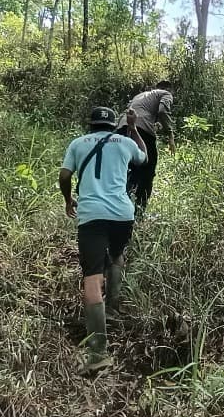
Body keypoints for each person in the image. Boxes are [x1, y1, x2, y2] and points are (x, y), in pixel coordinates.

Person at [59, 106, 148, 373]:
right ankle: (113, 309)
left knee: (92, 279)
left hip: (92, 216)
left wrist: (67, 199)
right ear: (112, 126)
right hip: (122, 214)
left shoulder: (78, 143)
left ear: (91, 124)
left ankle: (98, 353)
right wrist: (132, 128)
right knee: (117, 254)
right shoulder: (125, 142)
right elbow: (143, 158)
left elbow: (64, 175)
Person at [123, 81, 174, 213]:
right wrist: (170, 134)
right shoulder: (166, 93)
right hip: (140, 129)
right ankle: (139, 212)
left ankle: (121, 206)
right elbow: (162, 111)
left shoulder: (140, 96)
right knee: (147, 170)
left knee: (125, 169)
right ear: (168, 89)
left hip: (122, 128)